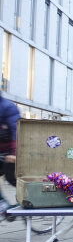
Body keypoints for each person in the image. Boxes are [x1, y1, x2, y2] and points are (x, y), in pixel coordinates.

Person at [0, 92, 20, 221]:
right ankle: (3, 205)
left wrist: (13, 153)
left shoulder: (7, 107)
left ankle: (36, 195)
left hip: (8, 151)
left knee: (12, 178)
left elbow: (16, 130)